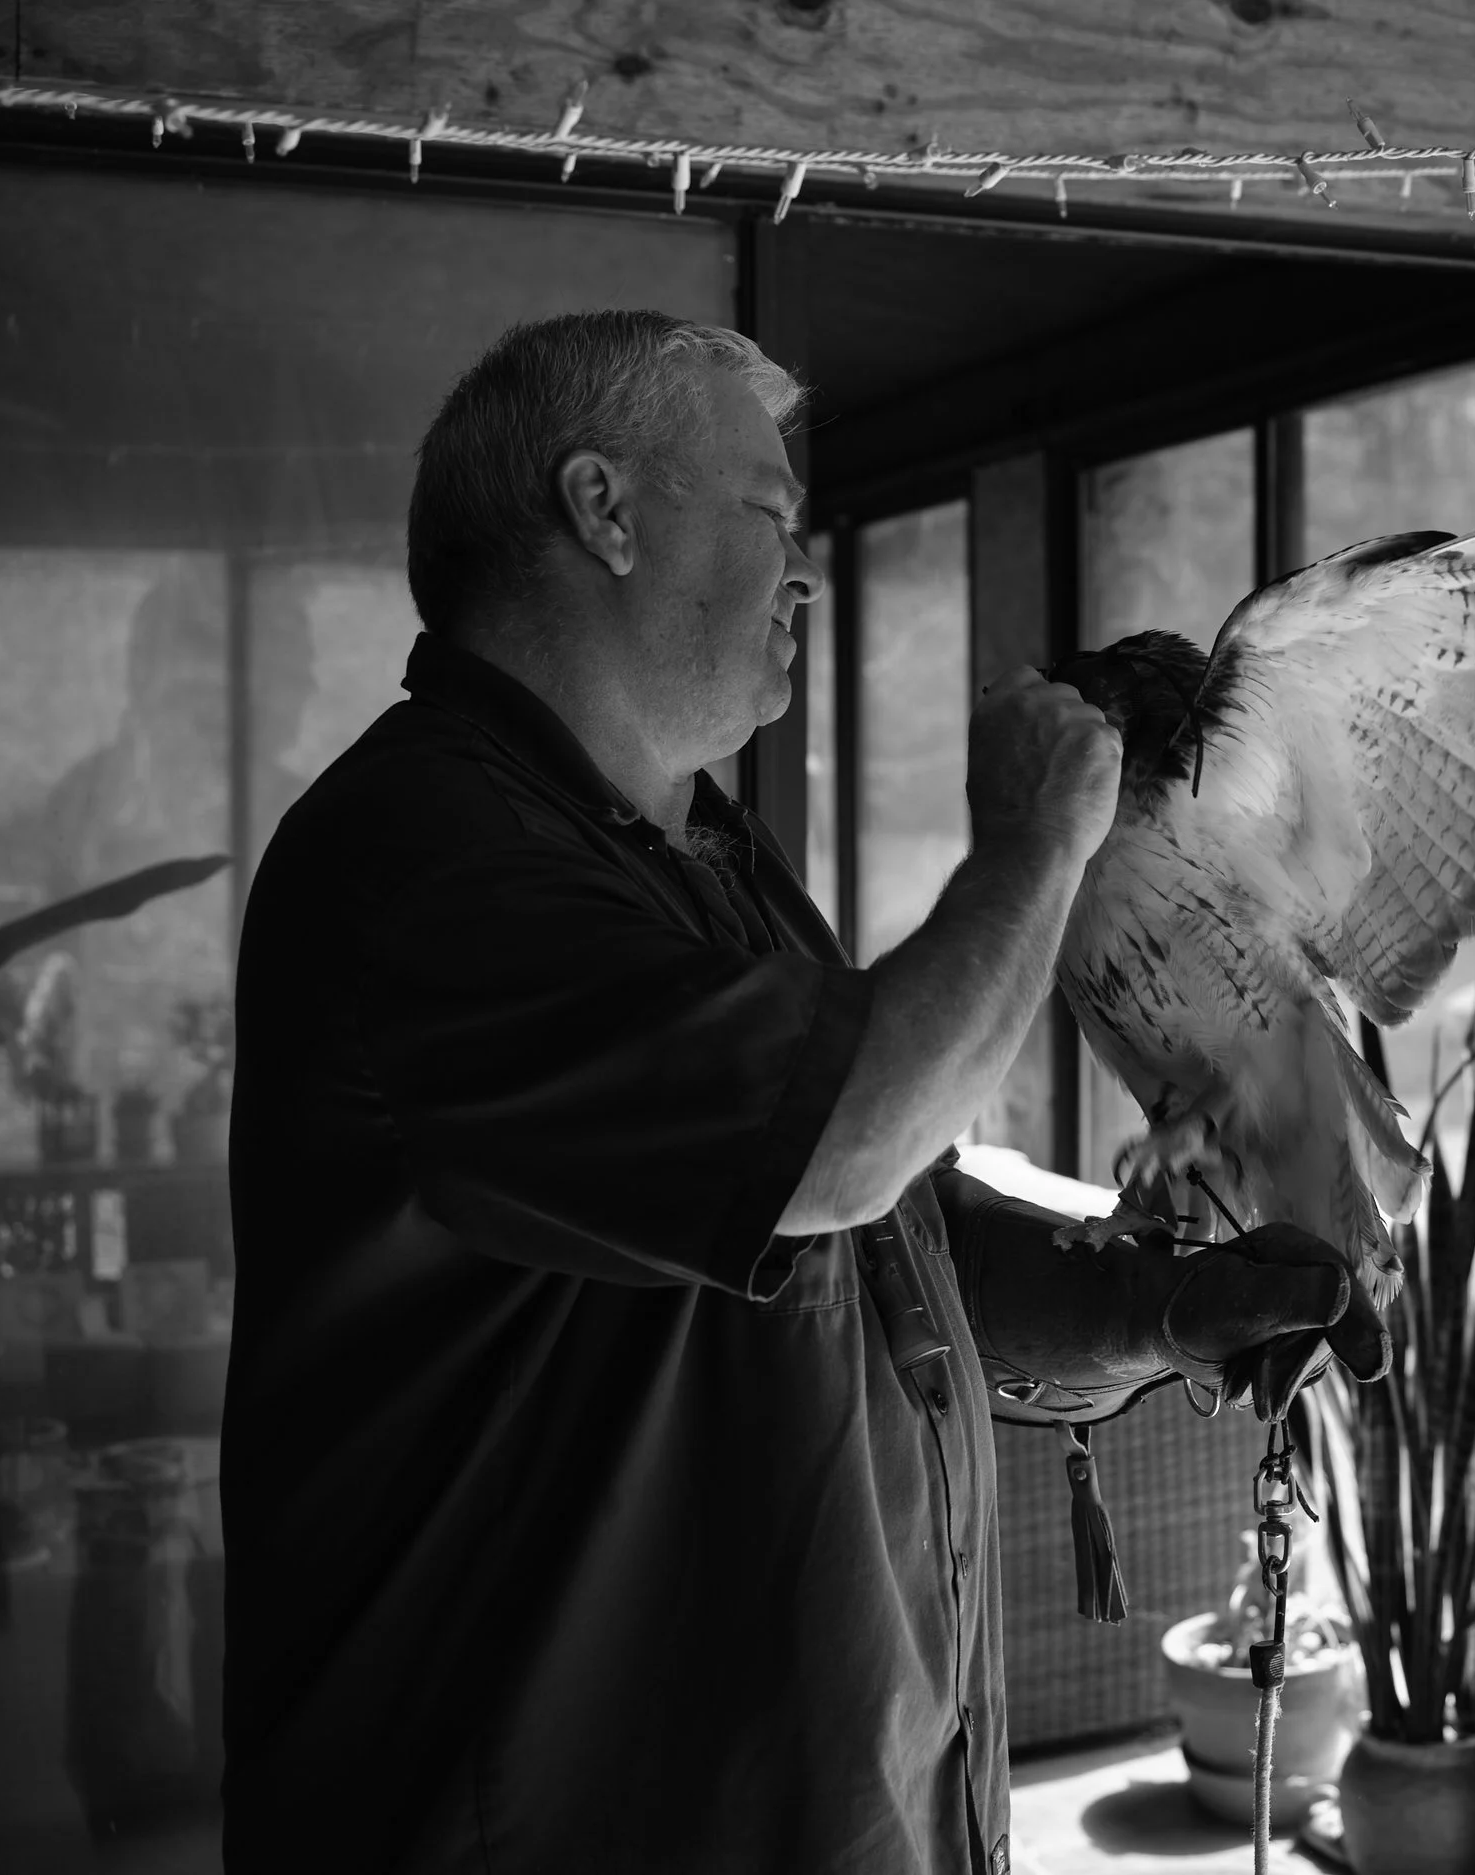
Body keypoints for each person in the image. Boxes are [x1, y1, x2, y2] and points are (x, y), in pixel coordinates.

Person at [221, 311, 1360, 1875]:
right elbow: (845, 1144)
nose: (806, 577)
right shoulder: (426, 862)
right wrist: (1036, 841)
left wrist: (1157, 1312)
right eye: (769, 518)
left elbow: (873, 1225)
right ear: (601, 510)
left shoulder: (704, 856)